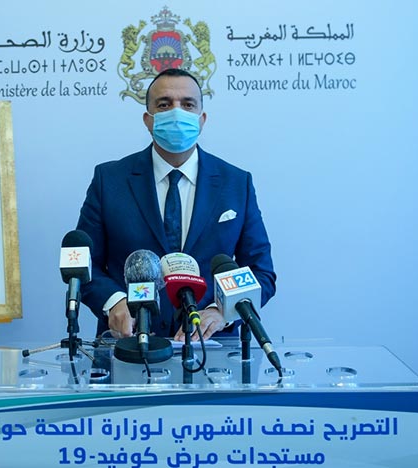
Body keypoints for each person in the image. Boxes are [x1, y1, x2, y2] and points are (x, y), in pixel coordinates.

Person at [76, 68, 276, 341]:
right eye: (164, 104)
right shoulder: (109, 180)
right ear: (148, 120)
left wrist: (221, 311)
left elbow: (260, 271)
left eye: (188, 104)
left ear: (202, 119)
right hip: (129, 343)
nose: (177, 112)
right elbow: (84, 264)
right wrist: (113, 301)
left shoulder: (236, 183)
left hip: (214, 345)